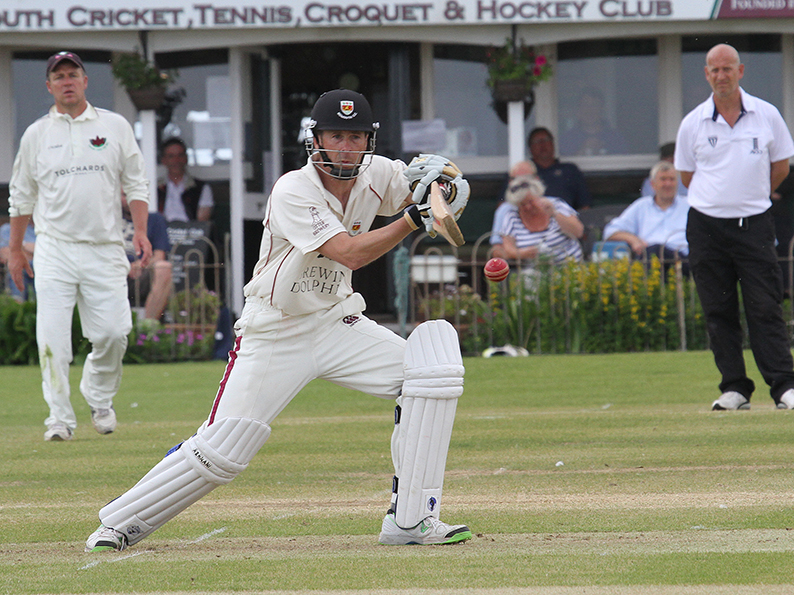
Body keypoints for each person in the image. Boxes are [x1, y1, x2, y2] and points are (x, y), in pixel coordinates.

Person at [85, 89, 473, 552]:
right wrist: (413, 218)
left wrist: (446, 186)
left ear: (367, 141)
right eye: (335, 136)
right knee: (224, 447)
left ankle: (411, 519)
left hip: (337, 322)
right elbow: (349, 252)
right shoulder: (293, 188)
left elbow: (424, 189)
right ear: (316, 140)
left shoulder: (377, 174)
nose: (345, 148)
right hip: (275, 329)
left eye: (354, 137)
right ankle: (119, 521)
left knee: (431, 373)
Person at [7, 51, 152, 442]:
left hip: (105, 246)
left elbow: (136, 182)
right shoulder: (36, 134)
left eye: (73, 74)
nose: (67, 81)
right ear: (49, 86)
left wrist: (140, 231)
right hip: (54, 248)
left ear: (85, 81)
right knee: (51, 339)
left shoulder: (114, 126)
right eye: (59, 77)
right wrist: (16, 250)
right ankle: (59, 418)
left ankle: (98, 395)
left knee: (114, 333)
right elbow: (21, 196)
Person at [675, 43, 794, 411]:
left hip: (754, 225)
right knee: (718, 309)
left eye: (727, 68)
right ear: (706, 74)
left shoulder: (767, 115)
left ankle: (784, 386)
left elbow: (781, 166)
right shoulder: (693, 122)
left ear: (740, 71)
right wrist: (720, 200)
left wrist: (749, 196)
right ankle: (735, 388)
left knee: (765, 306)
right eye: (714, 69)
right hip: (706, 228)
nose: (721, 75)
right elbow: (686, 175)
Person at [604, 160, 690, 267]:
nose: (668, 184)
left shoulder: (689, 205)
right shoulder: (641, 206)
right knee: (654, 251)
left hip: (681, 259)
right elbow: (610, 231)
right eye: (663, 179)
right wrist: (634, 240)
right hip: (649, 256)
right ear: (652, 184)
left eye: (672, 179)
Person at [497, 174, 584, 267]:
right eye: (522, 204)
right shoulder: (511, 216)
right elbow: (508, 249)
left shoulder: (556, 205)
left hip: (570, 267)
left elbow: (578, 232)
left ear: (538, 196)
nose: (528, 207)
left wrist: (554, 213)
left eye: (530, 201)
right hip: (535, 271)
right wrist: (522, 253)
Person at [122, 193, 172, 321]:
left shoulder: (155, 219)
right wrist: (125, 266)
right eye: (124, 195)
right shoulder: (108, 220)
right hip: (113, 272)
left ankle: (148, 327)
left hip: (141, 274)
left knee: (164, 268)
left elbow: (159, 256)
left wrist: (141, 264)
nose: (129, 199)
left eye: (131, 194)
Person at [528, 127, 592, 211]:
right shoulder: (524, 173)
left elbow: (585, 205)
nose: (542, 144)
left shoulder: (570, 170)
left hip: (565, 217)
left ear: (553, 144)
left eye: (546, 140)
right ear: (530, 148)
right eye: (537, 141)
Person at [559, 87, 629, 157]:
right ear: (578, 109)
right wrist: (583, 150)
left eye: (595, 105)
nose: (590, 110)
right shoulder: (567, 140)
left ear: (602, 109)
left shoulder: (616, 138)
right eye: (585, 105)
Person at [157, 137, 214, 222]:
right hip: (162, 230)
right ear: (163, 160)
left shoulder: (201, 188)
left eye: (180, 155)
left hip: (189, 229)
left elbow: (202, 222)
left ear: (186, 158)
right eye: (171, 156)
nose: (176, 160)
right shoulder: (155, 188)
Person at [490, 160, 536, 259]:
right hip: (521, 265)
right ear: (510, 182)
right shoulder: (505, 210)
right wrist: (520, 254)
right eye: (516, 179)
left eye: (527, 179)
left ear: (537, 179)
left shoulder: (552, 205)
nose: (521, 183)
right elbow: (496, 251)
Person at [0, 220, 35, 301]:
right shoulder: (7, 229)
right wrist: (29, 250)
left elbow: (48, 252)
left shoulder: (44, 229)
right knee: (17, 266)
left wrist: (19, 245)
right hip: (21, 267)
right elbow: (6, 253)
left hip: (41, 267)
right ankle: (17, 302)